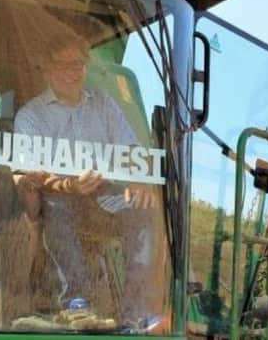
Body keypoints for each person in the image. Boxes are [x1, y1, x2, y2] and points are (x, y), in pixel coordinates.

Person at [13, 39, 159, 325]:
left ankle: (136, 313)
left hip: (104, 195)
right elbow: (29, 175)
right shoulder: (31, 116)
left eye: (77, 64)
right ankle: (76, 301)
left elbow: (131, 151)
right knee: (54, 202)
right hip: (58, 194)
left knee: (144, 207)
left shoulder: (104, 104)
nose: (71, 72)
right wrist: (69, 185)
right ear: (47, 70)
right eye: (62, 65)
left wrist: (139, 182)